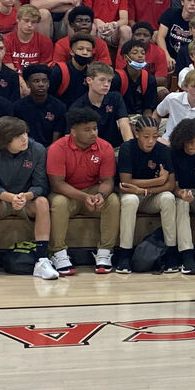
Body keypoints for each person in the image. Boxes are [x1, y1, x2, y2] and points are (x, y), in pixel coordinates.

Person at [0, 115, 57, 281]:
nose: (24, 138)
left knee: (42, 202)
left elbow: (41, 185)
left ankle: (42, 260)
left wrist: (25, 196)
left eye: (25, 133)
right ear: (5, 139)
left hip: (27, 200)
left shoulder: (38, 149)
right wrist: (10, 197)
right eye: (18, 136)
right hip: (2, 200)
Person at [46, 107, 119, 276]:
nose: (93, 133)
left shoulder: (105, 147)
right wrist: (84, 197)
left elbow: (108, 180)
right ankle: (58, 253)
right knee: (58, 203)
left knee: (112, 200)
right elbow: (57, 184)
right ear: (73, 132)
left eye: (95, 128)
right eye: (87, 130)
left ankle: (105, 252)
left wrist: (101, 195)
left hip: (92, 191)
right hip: (67, 193)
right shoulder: (58, 148)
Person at [115, 115, 178, 274]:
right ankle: (124, 255)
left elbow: (170, 185)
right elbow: (125, 182)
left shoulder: (163, 150)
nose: (151, 141)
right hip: (131, 195)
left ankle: (171, 253)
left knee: (168, 199)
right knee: (130, 200)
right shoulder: (127, 148)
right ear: (136, 134)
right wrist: (158, 181)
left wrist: (145, 190)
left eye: (155, 136)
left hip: (151, 197)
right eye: (146, 137)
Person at [167, 117, 195, 275]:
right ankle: (186, 255)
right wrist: (181, 193)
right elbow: (173, 185)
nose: (194, 146)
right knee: (182, 204)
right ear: (182, 139)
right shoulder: (173, 153)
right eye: (191, 142)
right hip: (180, 191)